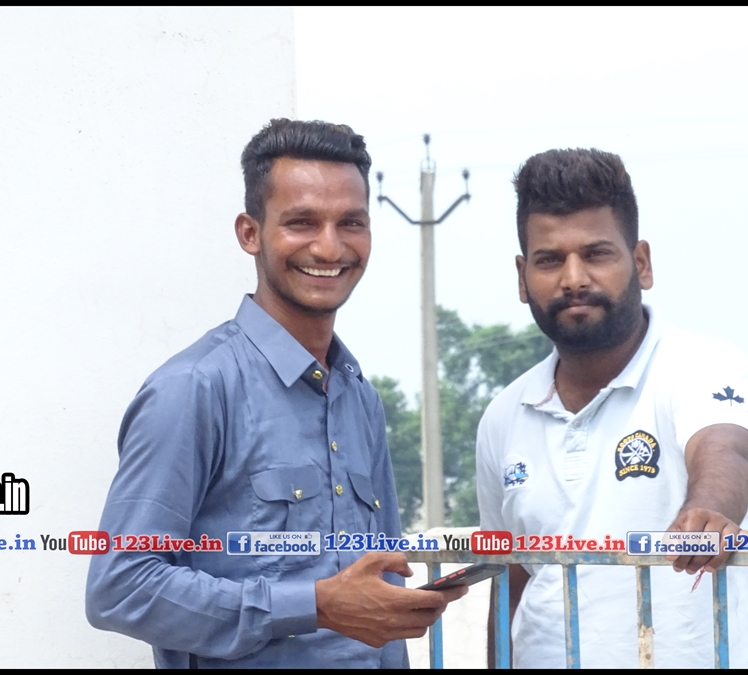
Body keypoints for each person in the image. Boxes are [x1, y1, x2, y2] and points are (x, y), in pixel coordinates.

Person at [86, 119, 466, 668]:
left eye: (351, 223)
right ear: (250, 233)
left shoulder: (358, 396)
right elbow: (120, 586)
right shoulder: (194, 388)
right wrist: (313, 606)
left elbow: (380, 592)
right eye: (302, 222)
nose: (330, 246)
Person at [477, 148, 748, 668]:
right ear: (523, 278)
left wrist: (710, 511)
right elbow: (509, 578)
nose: (574, 278)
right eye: (550, 260)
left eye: (596, 254)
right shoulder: (504, 415)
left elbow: (726, 448)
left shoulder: (706, 366)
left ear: (641, 263)